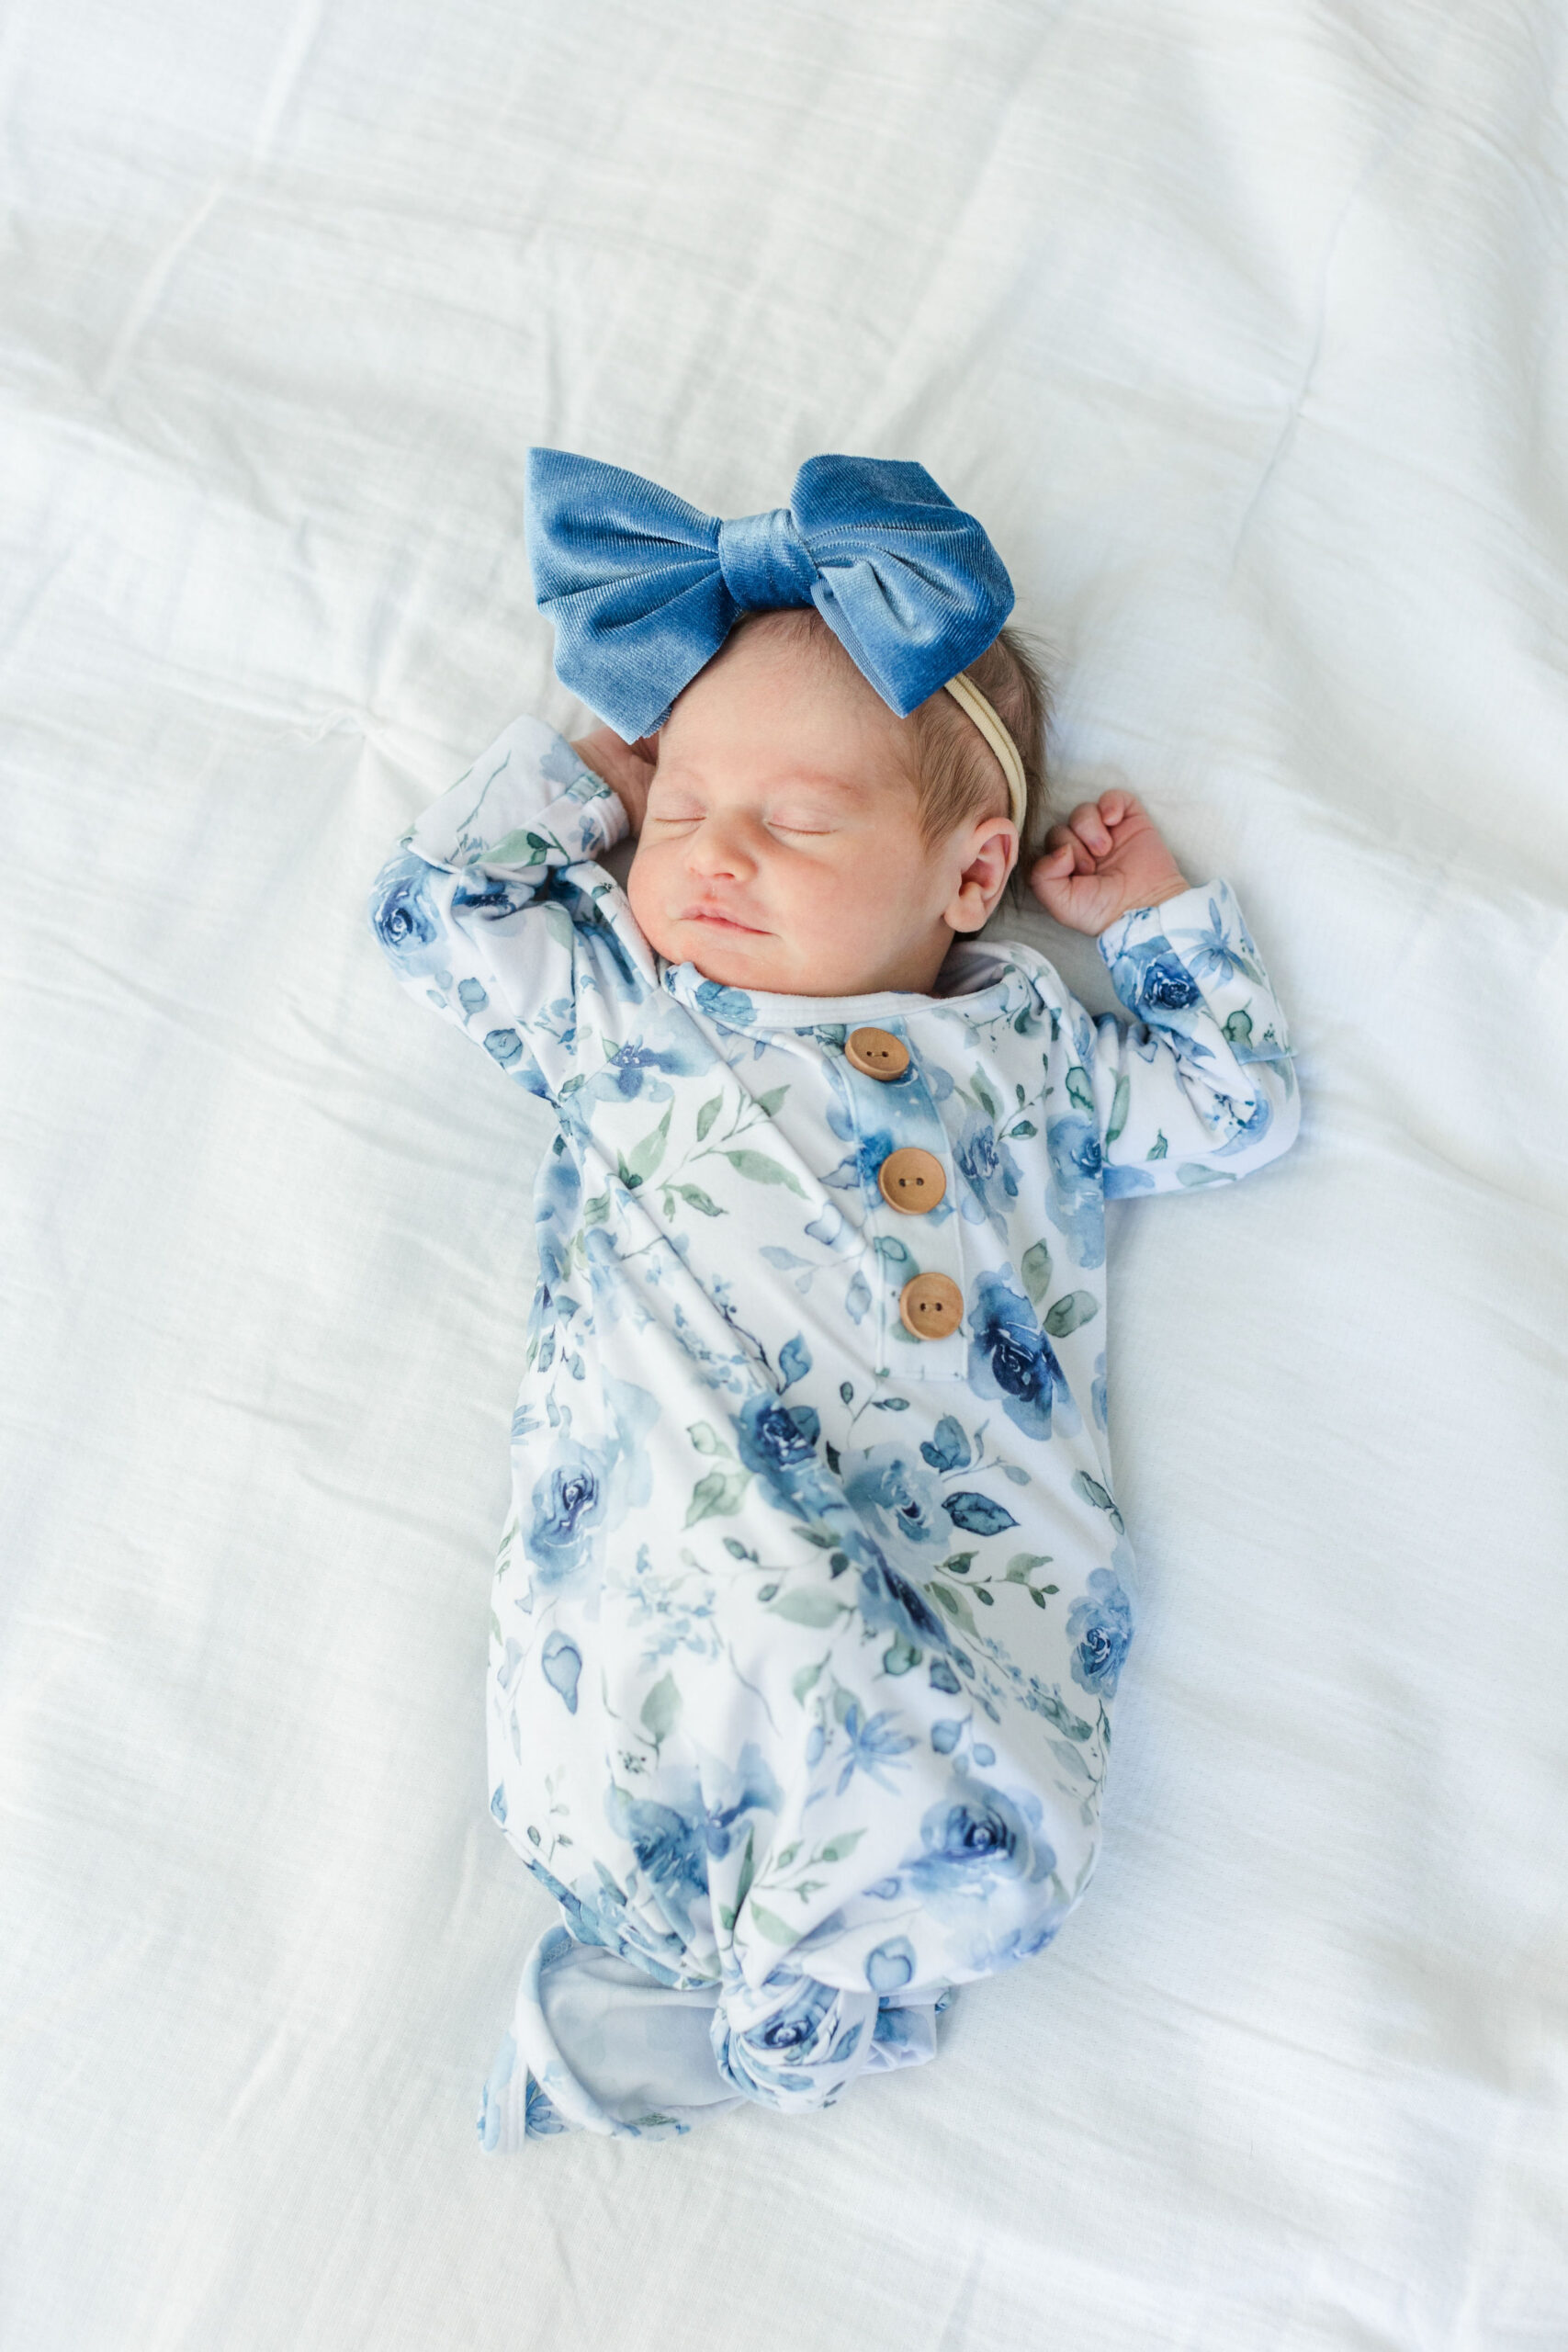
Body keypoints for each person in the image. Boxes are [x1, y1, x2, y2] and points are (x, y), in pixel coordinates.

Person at [367, 451, 1301, 2144]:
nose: (713, 853)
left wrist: (1152, 924)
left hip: (962, 1596)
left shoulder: (1032, 1052)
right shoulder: (631, 1010)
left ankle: (747, 2022)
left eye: (796, 821)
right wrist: (593, 760)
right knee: (744, 1638)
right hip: (663, 1570)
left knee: (990, 1825)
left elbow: (1231, 1109)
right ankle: (712, 2006)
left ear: (968, 876)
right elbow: (438, 908)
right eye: (676, 813)